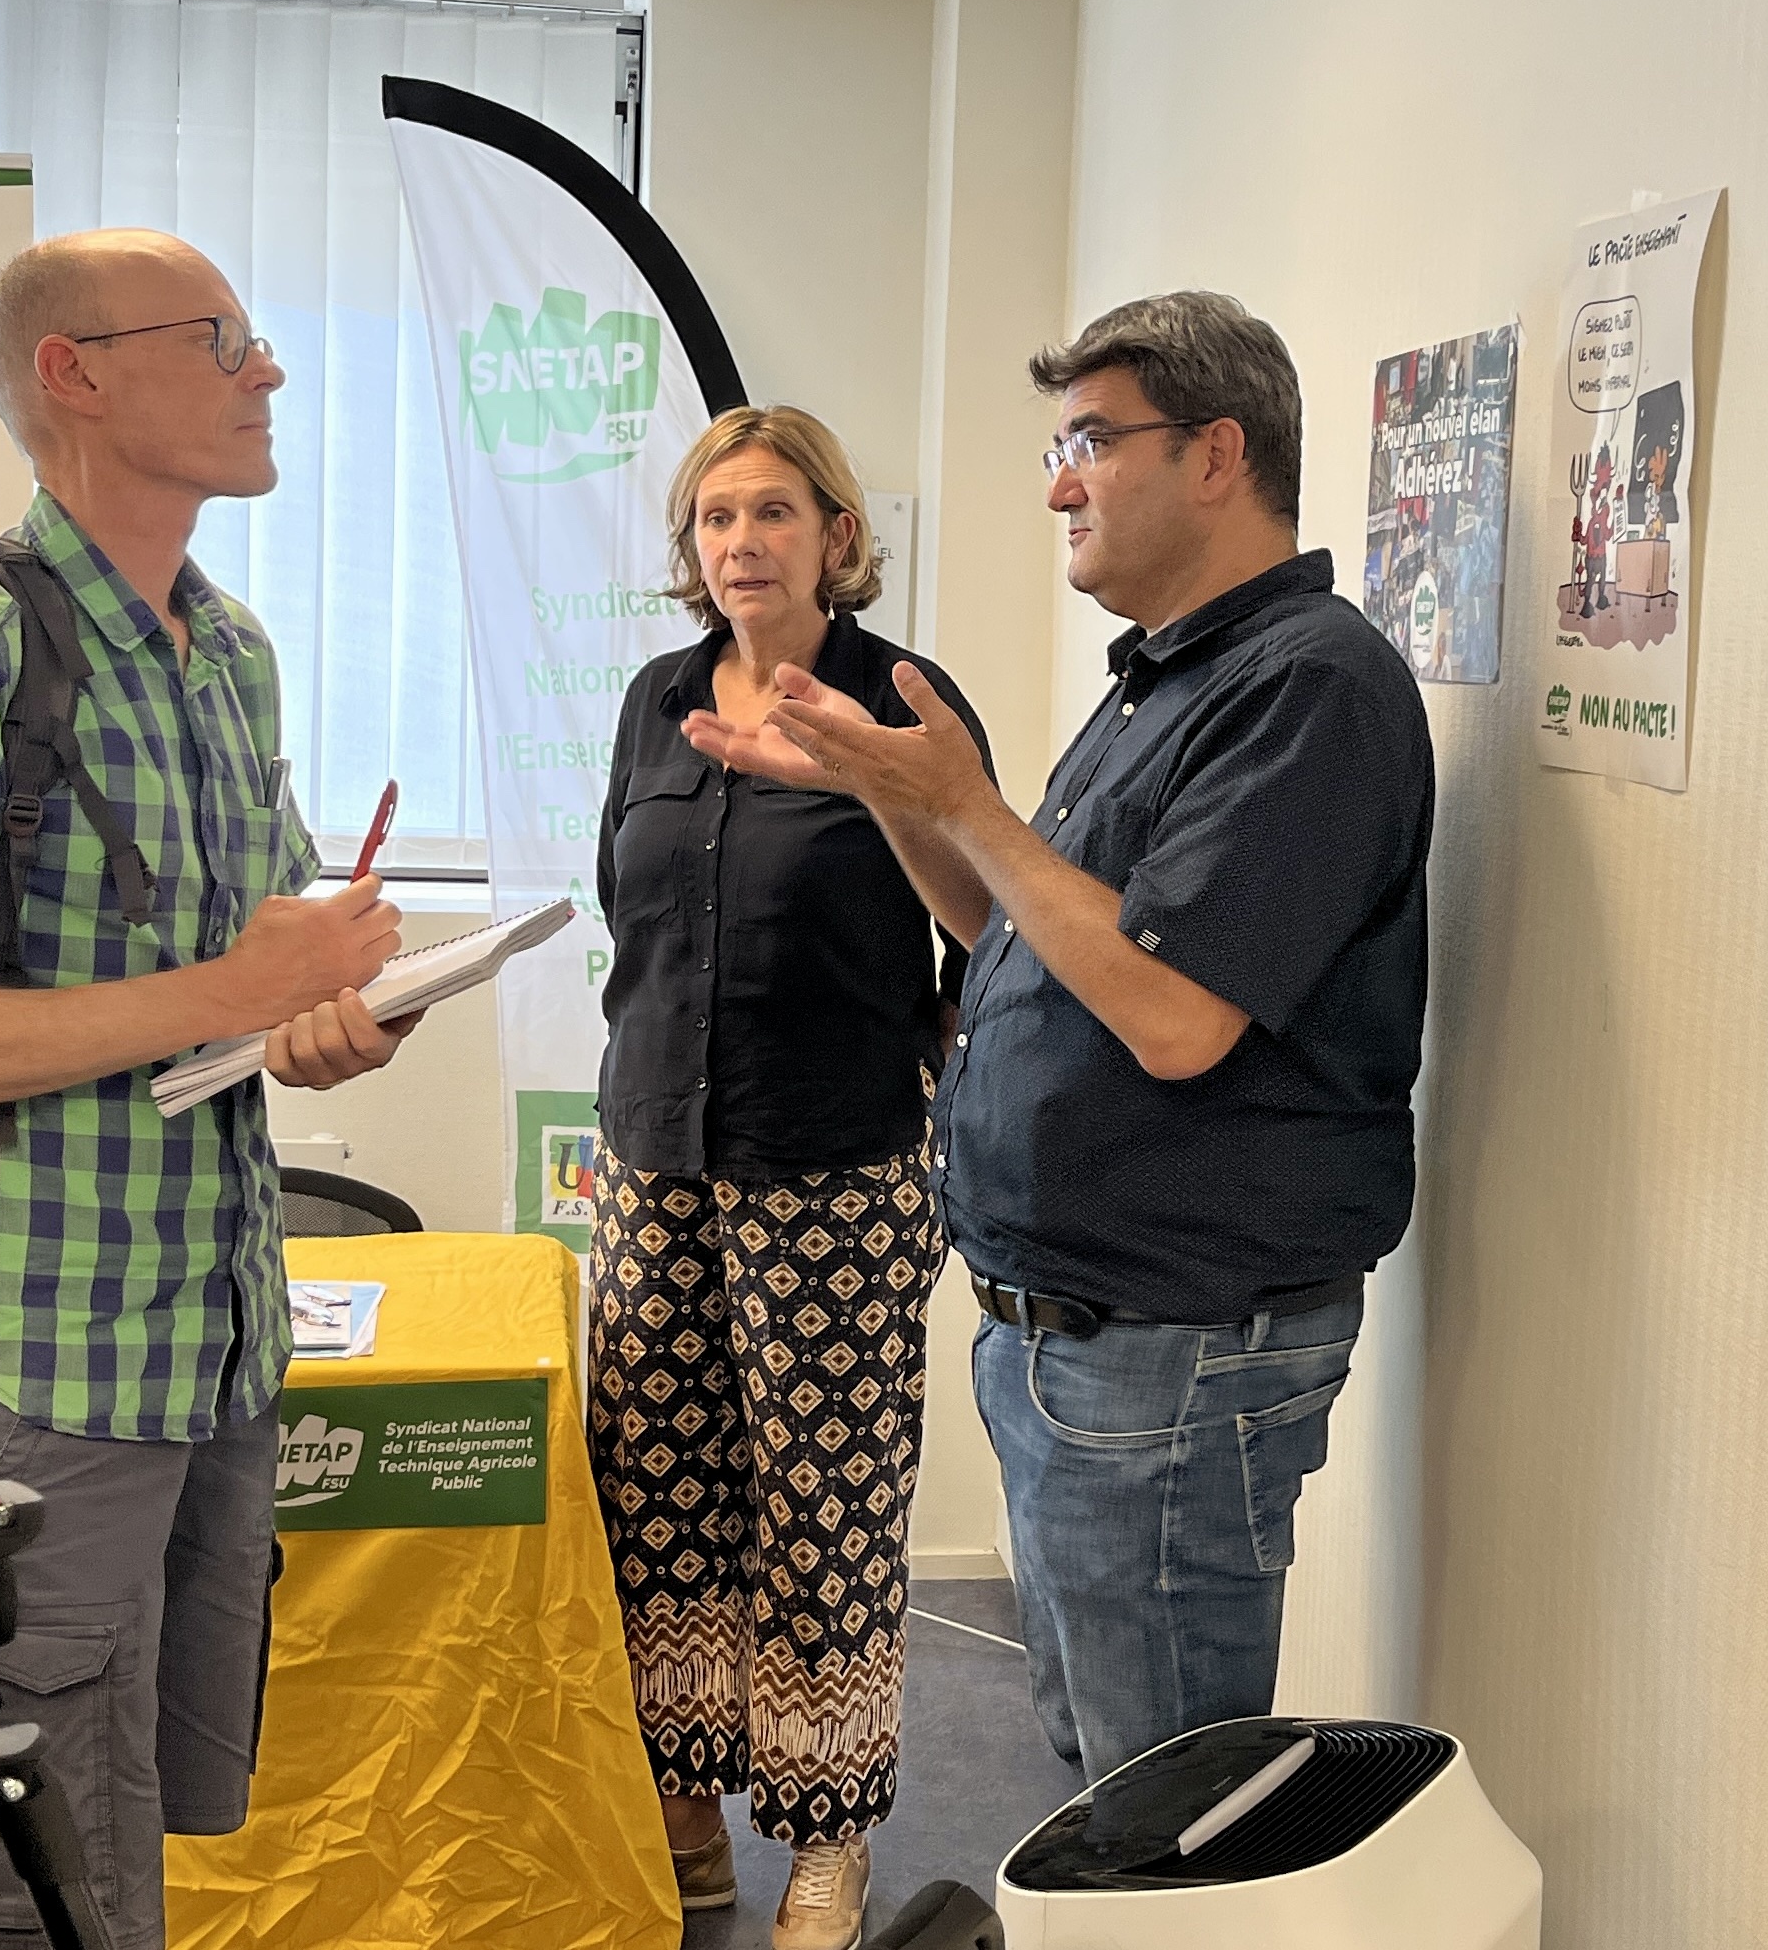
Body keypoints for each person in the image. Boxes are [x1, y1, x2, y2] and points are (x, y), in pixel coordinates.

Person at [698, 290, 1433, 1784]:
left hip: (1172, 1347)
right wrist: (892, 795)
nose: (1059, 487)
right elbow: (1017, 933)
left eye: (1091, 442)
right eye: (1060, 449)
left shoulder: (1307, 685)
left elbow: (1169, 1015)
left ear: (1216, 453)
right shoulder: (1170, 674)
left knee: (1157, 1807)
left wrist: (965, 798)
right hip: (1081, 1342)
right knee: (1099, 1770)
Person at [0, 228, 419, 1948]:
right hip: (55, 1363)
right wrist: (240, 991)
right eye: (219, 337)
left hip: (219, 1343)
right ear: (69, 373)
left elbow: (265, 977)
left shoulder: (230, 651)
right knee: (27, 1873)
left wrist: (342, 1010)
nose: (265, 368)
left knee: (123, 1833)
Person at [587, 404, 991, 1950]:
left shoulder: (899, 699)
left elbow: (983, 918)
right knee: (659, 1492)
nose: (741, 541)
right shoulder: (656, 699)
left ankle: (829, 1836)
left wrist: (866, 792)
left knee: (824, 1504)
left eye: (771, 511)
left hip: (836, 1162)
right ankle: (684, 1807)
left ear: (837, 533)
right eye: (715, 516)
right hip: (653, 1154)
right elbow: (626, 902)